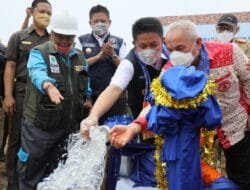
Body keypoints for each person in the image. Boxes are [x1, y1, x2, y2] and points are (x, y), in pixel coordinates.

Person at [117, 20, 249, 189]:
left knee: (242, 179)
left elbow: (248, 79)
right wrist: (134, 127)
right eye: (170, 50)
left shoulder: (229, 52)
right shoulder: (169, 72)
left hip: (236, 127)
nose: (174, 55)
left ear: (198, 42)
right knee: (208, 181)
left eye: (180, 49)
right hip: (198, 140)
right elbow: (155, 104)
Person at [80, 17, 168, 189]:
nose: (148, 50)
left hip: (172, 128)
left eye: (154, 45)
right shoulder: (129, 63)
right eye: (143, 46)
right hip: (143, 129)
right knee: (149, 178)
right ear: (134, 44)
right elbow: (113, 89)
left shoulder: (173, 58)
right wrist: (93, 117)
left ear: (163, 41)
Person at [109, 65, 223, 190]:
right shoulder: (195, 100)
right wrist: (134, 127)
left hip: (179, 155)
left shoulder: (167, 107)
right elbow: (212, 118)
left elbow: (153, 116)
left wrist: (135, 126)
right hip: (186, 154)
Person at [17, 10, 91, 190]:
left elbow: (85, 80)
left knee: (60, 172)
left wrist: (88, 99)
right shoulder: (39, 53)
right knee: (31, 171)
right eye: (60, 36)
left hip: (67, 127)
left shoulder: (80, 57)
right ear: (52, 34)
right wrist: (48, 86)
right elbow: (36, 72)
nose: (65, 41)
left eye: (69, 37)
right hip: (39, 128)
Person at [3, 0, 52, 189]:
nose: (45, 15)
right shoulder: (19, 36)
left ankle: (33, 180)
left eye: (49, 12)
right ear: (31, 12)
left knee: (38, 138)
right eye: (42, 11)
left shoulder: (52, 39)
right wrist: (8, 95)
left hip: (43, 95)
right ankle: (13, 183)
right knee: (15, 138)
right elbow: (10, 66)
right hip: (22, 92)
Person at [76, 4, 128, 123]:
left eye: (103, 21)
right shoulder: (81, 41)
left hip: (114, 97)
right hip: (88, 97)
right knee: (90, 132)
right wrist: (97, 57)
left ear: (109, 22)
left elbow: (125, 68)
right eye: (96, 21)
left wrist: (112, 54)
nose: (100, 23)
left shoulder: (119, 42)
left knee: (113, 133)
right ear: (90, 23)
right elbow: (77, 67)